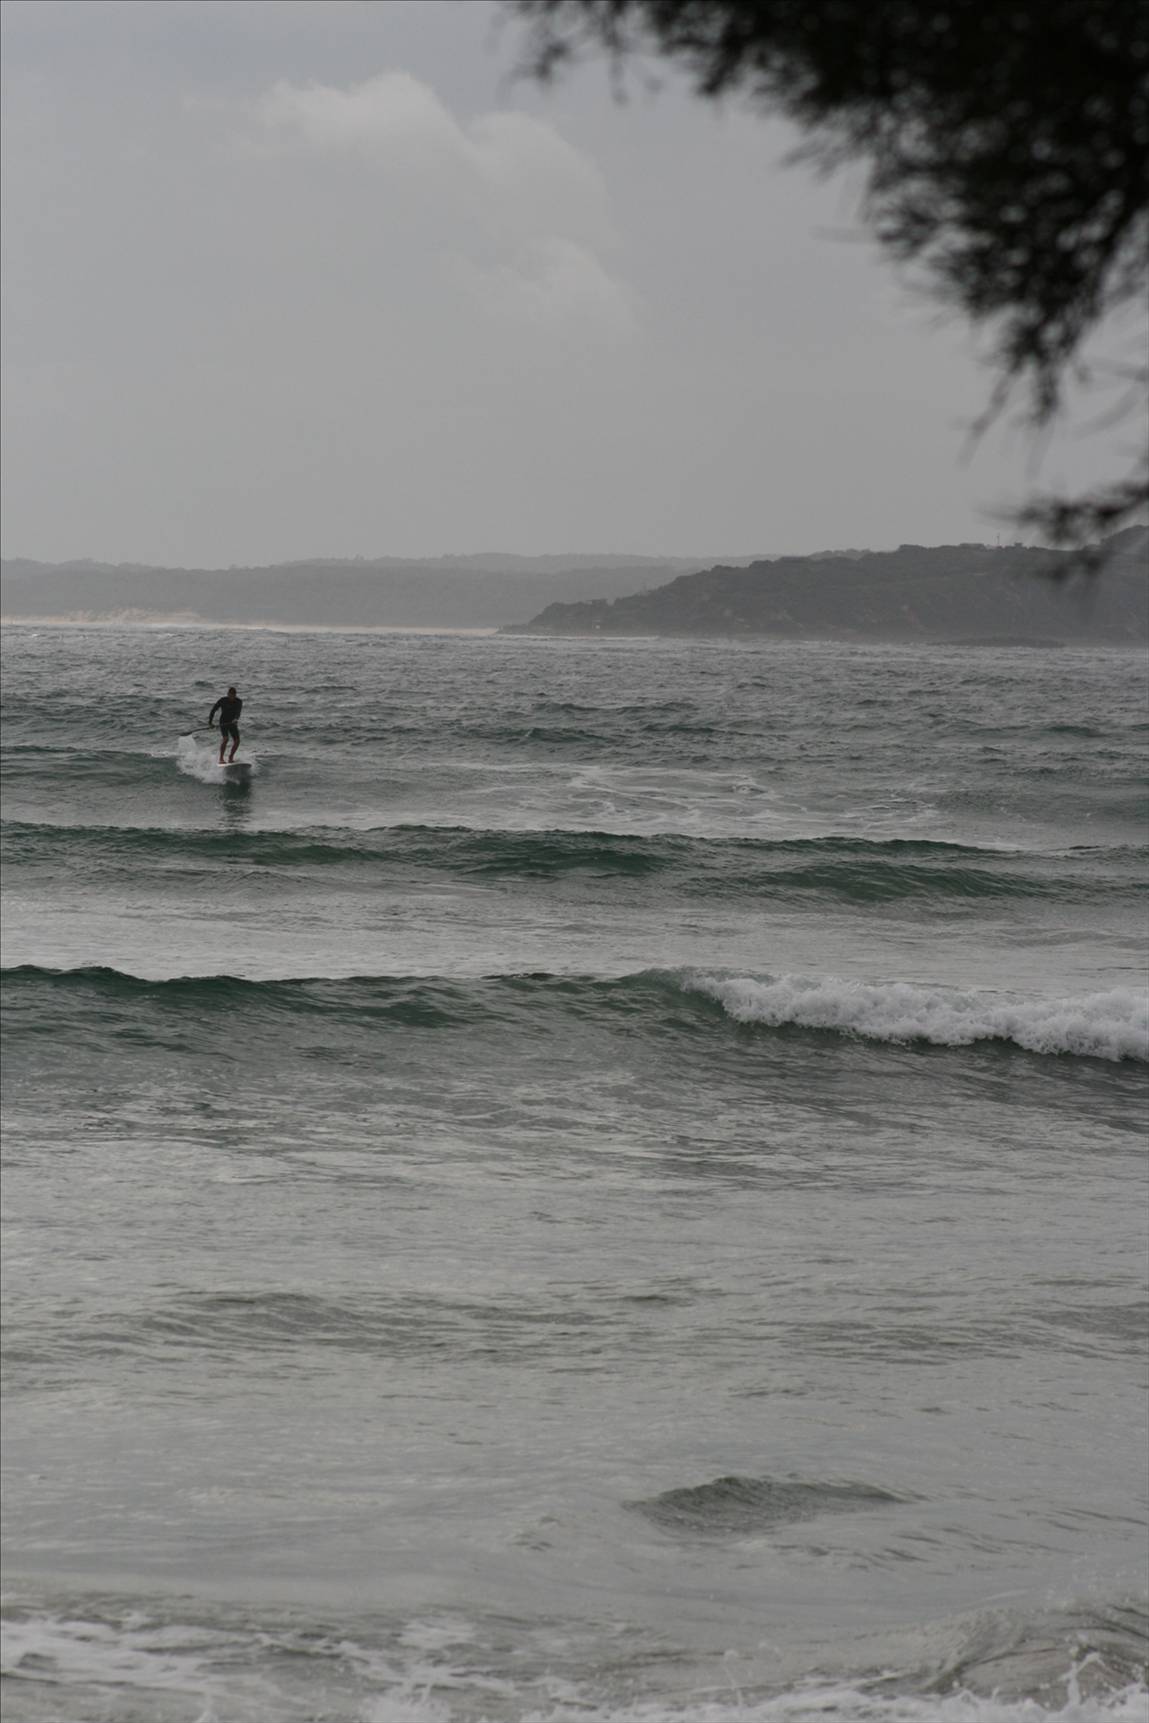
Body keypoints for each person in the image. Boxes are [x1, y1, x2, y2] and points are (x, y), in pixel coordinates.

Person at [208, 686, 243, 764]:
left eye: (233, 696)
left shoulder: (239, 701)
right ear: (228, 694)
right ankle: (221, 758)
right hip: (223, 722)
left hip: (232, 722)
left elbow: (238, 711)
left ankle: (230, 757)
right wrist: (210, 723)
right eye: (230, 696)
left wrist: (236, 719)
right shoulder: (222, 700)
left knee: (237, 741)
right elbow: (213, 710)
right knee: (226, 739)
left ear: (235, 695)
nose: (231, 698)